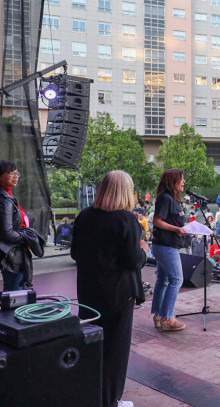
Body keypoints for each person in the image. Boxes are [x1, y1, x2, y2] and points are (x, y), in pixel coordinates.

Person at [71, 171, 146, 407]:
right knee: (115, 350)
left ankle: (92, 396)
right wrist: (143, 249)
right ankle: (111, 401)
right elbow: (133, 260)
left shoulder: (84, 216)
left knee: (93, 345)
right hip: (118, 294)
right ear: (125, 191)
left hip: (89, 292)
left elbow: (75, 253)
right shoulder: (126, 219)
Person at [0, 161, 44, 291]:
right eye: (11, 173)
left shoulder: (4, 195)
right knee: (14, 293)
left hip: (14, 251)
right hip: (11, 253)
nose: (15, 176)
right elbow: (6, 233)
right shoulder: (2, 199)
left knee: (16, 292)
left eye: (17, 173)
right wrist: (27, 238)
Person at [150, 169, 187, 332]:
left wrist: (183, 227)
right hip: (166, 246)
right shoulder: (165, 199)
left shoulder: (171, 199)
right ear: (172, 182)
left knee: (163, 281)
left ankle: (159, 315)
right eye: (181, 179)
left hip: (166, 245)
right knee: (177, 279)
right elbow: (157, 221)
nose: (184, 182)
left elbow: (169, 221)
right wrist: (176, 229)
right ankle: (168, 318)